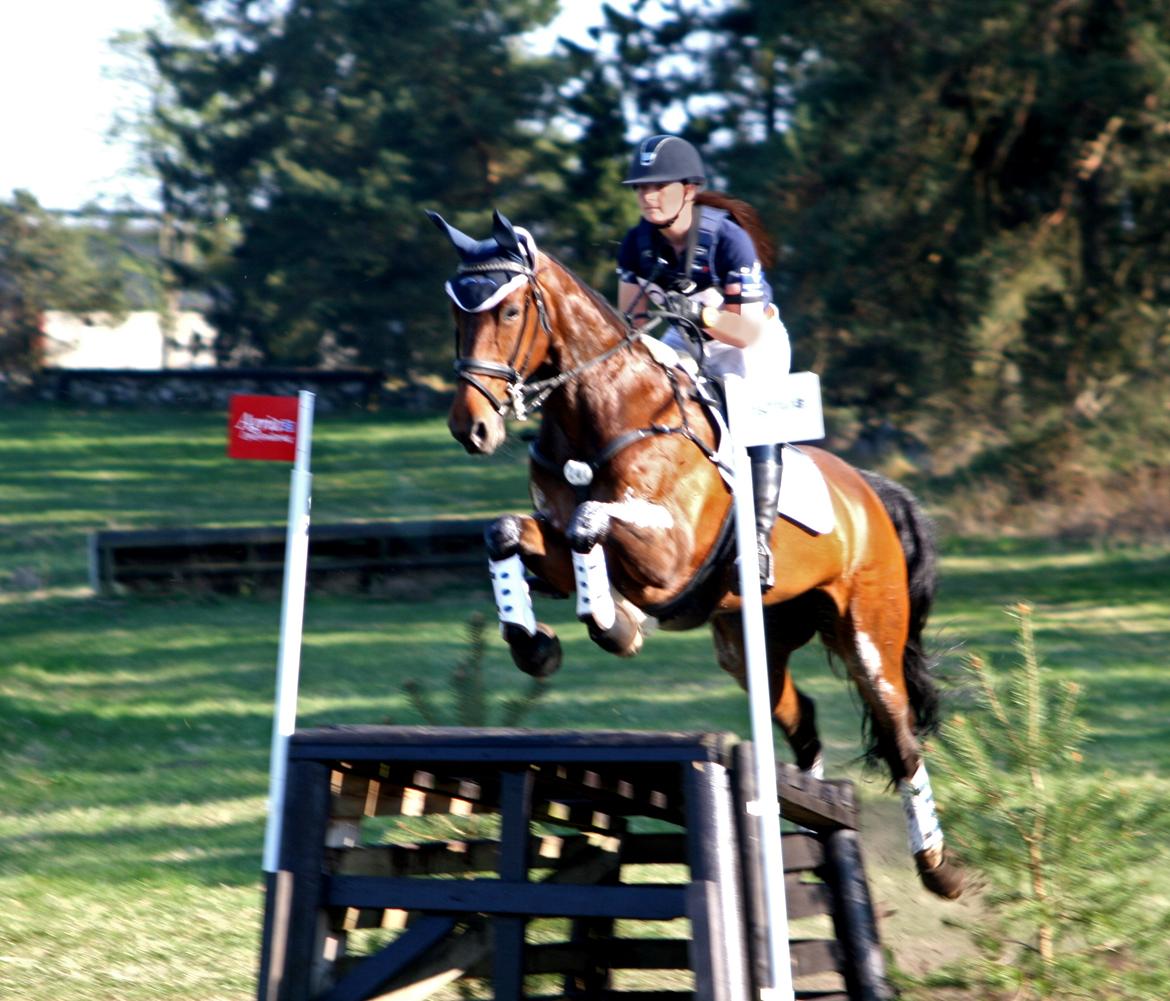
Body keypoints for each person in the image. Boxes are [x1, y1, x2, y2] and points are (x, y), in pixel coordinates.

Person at [615, 134, 791, 593]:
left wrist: (699, 312)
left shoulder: (727, 239)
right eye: (641, 188)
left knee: (755, 417)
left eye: (659, 187)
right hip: (687, 340)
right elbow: (630, 325)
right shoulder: (637, 244)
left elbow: (745, 331)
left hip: (749, 343)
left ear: (688, 190)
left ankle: (758, 542)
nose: (648, 196)